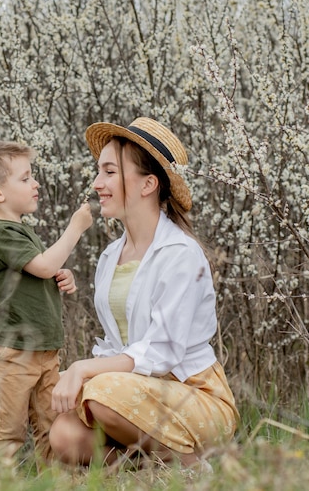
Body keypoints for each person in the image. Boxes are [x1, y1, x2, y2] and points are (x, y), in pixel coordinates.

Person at [49, 117, 239, 471]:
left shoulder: (180, 254)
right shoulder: (109, 257)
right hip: (131, 396)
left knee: (100, 395)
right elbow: (115, 344)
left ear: (148, 184)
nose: (97, 184)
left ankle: (193, 467)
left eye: (109, 172)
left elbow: (163, 351)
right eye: (98, 172)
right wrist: (69, 378)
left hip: (195, 398)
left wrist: (84, 370)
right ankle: (148, 468)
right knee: (63, 435)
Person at [0, 140, 92, 465]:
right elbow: (42, 264)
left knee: (53, 425)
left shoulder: (19, 229)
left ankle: (59, 482)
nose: (36, 184)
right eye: (25, 178)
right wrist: (75, 229)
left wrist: (61, 275)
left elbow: (41, 268)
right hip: (13, 352)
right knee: (10, 431)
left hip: (45, 349)